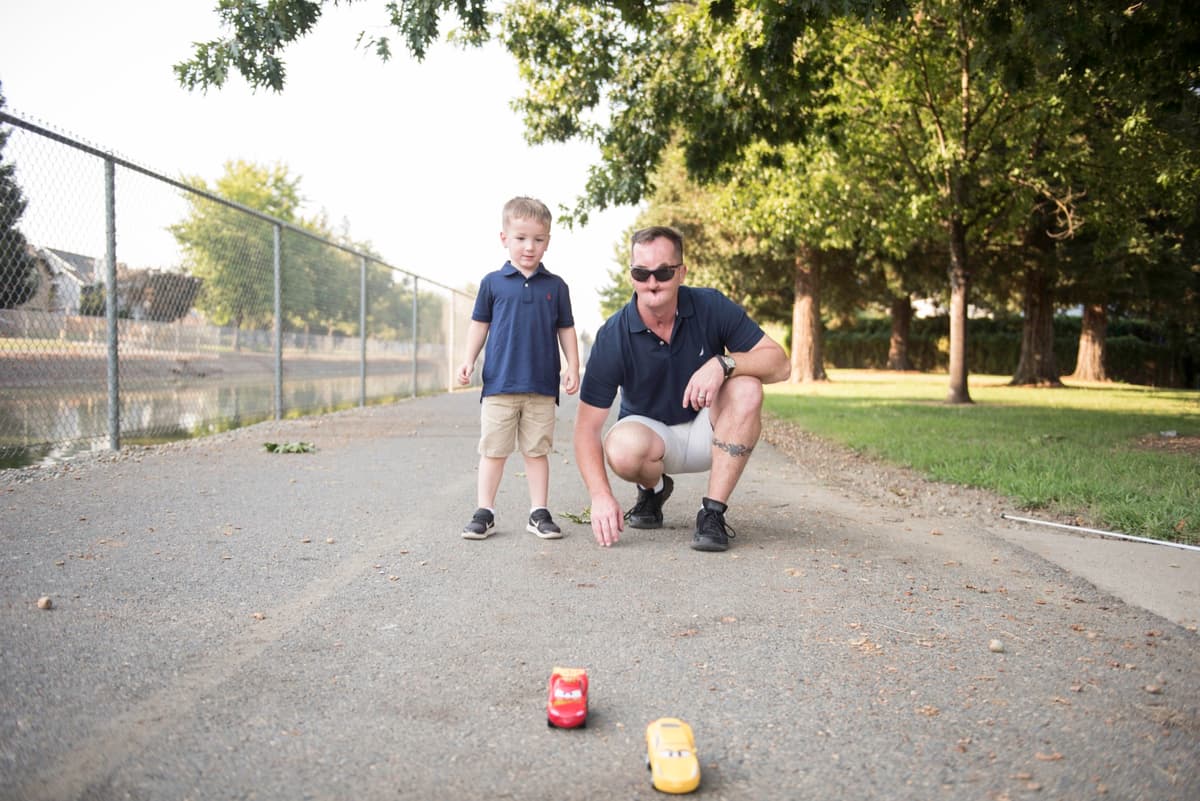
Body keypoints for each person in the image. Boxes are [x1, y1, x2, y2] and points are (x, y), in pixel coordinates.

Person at [574, 225, 790, 551]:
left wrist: (723, 363)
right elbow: (585, 430)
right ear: (631, 276)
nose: (652, 282)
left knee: (747, 388)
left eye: (663, 272)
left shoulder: (711, 306)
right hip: (653, 436)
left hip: (711, 427)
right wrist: (601, 496)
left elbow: (780, 364)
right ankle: (654, 489)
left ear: (681, 272)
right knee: (619, 448)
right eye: (641, 272)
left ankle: (712, 513)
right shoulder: (613, 335)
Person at [457, 197, 580, 540]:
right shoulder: (493, 283)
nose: (530, 246)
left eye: (538, 239)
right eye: (521, 238)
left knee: (537, 451)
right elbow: (479, 324)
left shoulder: (556, 287)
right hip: (499, 385)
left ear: (548, 242)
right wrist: (468, 360)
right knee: (493, 450)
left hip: (541, 386)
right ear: (504, 238)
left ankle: (538, 512)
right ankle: (486, 511)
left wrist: (573, 365)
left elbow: (565, 328)